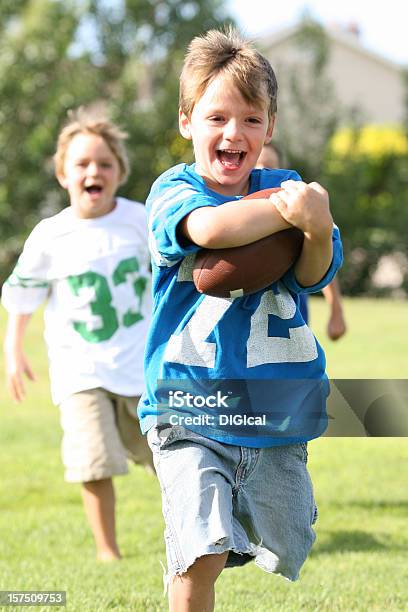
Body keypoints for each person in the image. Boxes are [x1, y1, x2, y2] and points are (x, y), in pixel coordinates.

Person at [139, 28, 343, 611]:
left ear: (270, 128)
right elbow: (208, 234)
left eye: (252, 119)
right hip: (188, 406)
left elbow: (312, 273)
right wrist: (293, 211)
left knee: (288, 538)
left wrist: (316, 226)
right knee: (200, 551)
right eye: (216, 117)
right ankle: (192, 557)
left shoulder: (287, 186)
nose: (234, 133)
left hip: (272, 411)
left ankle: (209, 542)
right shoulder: (174, 189)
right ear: (186, 122)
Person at [2, 108, 153, 562]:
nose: (94, 172)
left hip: (139, 365)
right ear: (63, 174)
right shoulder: (51, 235)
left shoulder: (139, 220)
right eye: (82, 164)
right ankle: (108, 550)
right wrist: (13, 350)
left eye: (105, 164)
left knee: (170, 455)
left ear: (120, 173)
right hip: (79, 368)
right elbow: (23, 295)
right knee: (94, 461)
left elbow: (172, 274)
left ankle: (198, 534)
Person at [257, 141, 347, 340]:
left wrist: (336, 310)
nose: (262, 171)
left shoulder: (298, 213)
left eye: (269, 166)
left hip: (291, 321)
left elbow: (322, 255)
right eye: (257, 165)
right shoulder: (233, 210)